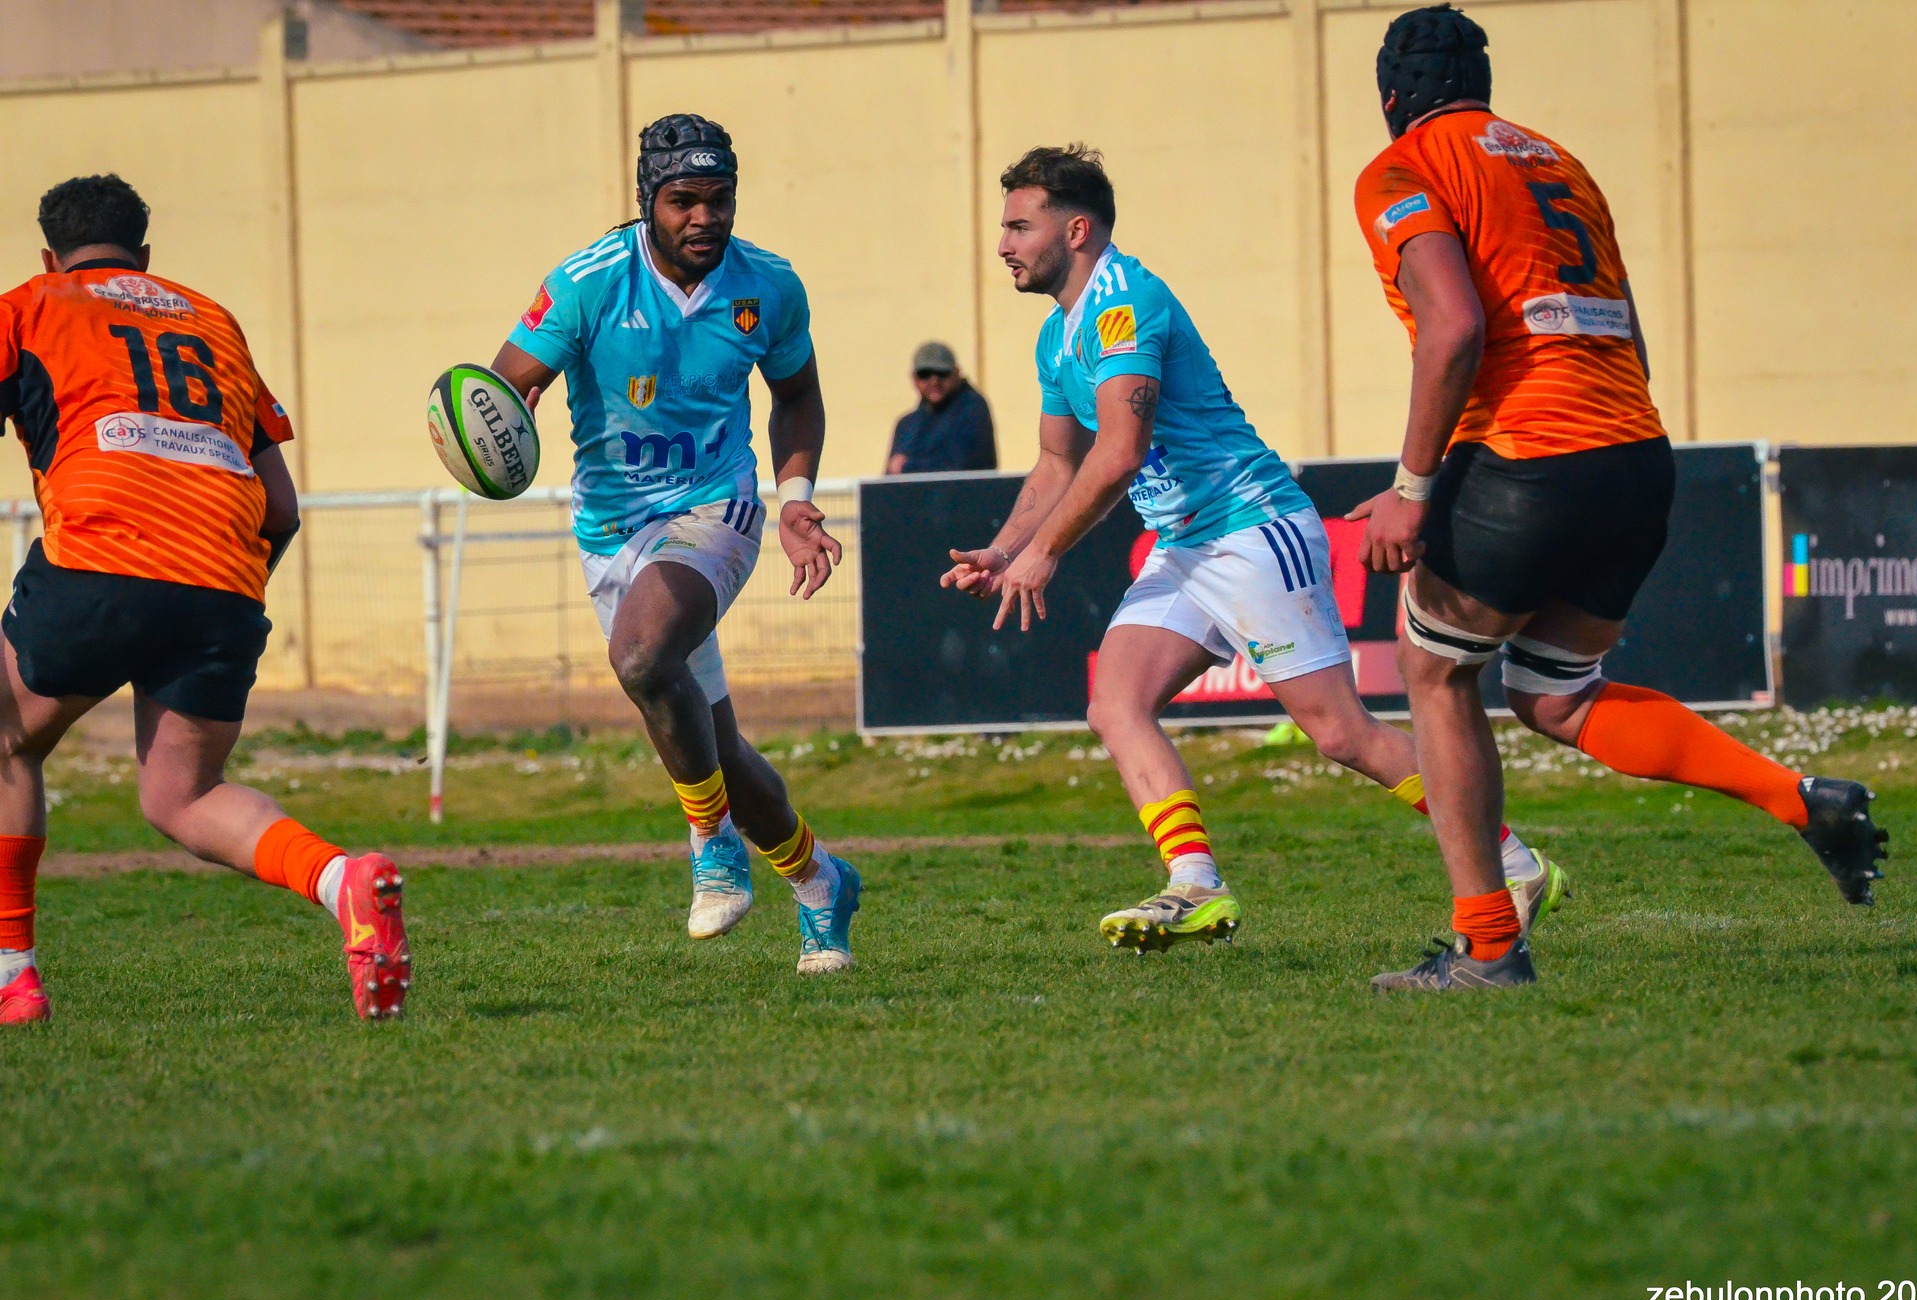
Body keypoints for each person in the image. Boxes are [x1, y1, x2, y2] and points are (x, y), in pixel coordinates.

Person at [1349, 5, 1888, 992]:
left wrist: (1409, 489)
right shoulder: (1558, 162)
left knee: (1432, 677)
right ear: (1482, 84)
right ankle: (1802, 800)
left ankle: (1485, 946)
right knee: (1553, 694)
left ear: (1390, 97)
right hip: (1633, 452)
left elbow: (1452, 327)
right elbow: (1625, 330)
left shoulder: (1402, 168)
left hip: (1527, 455)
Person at [942, 144, 1566, 952]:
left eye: (1020, 226)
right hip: (1185, 545)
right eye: (1005, 228)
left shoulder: (1125, 303)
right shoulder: (1057, 337)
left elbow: (1120, 451)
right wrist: (1005, 548)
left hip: (1250, 528)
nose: (1004, 245)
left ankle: (1515, 863)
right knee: (1116, 704)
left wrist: (1048, 551)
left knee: (1340, 733)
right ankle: (1195, 884)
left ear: (1078, 229)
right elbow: (1059, 461)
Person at [0, 175, 409, 1024]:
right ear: (145, 256)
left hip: (99, 559)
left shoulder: (30, 306)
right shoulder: (211, 319)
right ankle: (343, 882)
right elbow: (284, 505)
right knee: (182, 795)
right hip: (224, 574)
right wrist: (230, 589)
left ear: (50, 255)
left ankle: (13, 979)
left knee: (7, 745)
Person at [490, 114, 862, 974]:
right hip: (609, 528)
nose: (704, 217)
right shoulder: (586, 283)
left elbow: (797, 397)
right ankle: (819, 884)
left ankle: (712, 846)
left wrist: (796, 497)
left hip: (714, 509)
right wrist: (498, 425)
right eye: (683, 200)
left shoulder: (768, 286)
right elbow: (503, 387)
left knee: (644, 655)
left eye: (719, 198)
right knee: (717, 748)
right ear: (647, 201)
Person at [886, 341, 996, 474]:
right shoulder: (907, 425)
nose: (934, 381)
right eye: (925, 374)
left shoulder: (972, 408)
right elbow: (889, 481)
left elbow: (962, 465)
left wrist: (908, 466)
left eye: (942, 372)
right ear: (914, 378)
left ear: (957, 373)